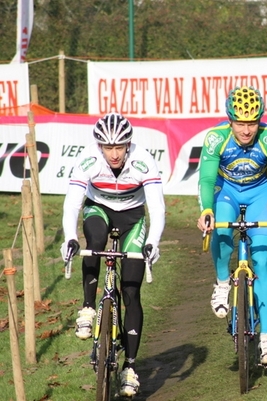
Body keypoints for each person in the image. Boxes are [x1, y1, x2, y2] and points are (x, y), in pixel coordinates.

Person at [60, 112, 165, 397]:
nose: (115, 154)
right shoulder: (88, 159)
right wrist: (70, 237)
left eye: (120, 147)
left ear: (129, 144)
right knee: (93, 239)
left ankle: (130, 367)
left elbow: (156, 208)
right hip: (99, 209)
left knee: (131, 291)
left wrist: (152, 242)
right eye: (109, 147)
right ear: (99, 146)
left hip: (133, 218)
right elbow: (72, 204)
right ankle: (87, 307)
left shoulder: (143, 161)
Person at [196, 86, 267, 365]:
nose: (247, 130)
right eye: (240, 123)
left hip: (260, 193)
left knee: (262, 260)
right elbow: (207, 181)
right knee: (222, 231)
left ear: (260, 119)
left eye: (252, 122)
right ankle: (223, 282)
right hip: (226, 192)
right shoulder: (216, 138)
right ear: (230, 119)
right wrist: (206, 210)